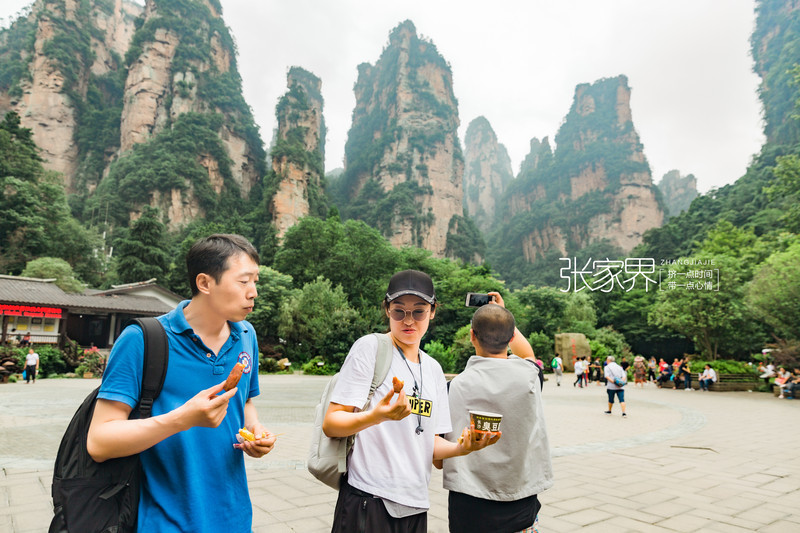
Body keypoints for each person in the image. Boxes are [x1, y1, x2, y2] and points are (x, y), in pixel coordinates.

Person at [87, 234, 276, 532]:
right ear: (205, 283)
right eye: (243, 282)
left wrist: (255, 431)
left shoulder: (246, 335)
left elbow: (246, 401)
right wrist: (183, 419)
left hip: (234, 517)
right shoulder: (142, 340)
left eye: (255, 281)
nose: (253, 293)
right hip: (164, 519)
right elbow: (99, 442)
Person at [323, 270, 499, 533]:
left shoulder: (434, 370)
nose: (409, 320)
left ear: (433, 311)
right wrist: (377, 416)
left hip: (415, 504)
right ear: (387, 310)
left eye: (419, 311)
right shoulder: (370, 348)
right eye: (398, 311)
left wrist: (463, 448)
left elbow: (431, 443)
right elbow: (332, 423)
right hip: (369, 500)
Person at [440, 295, 553, 533]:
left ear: (472, 336)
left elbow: (438, 460)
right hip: (521, 499)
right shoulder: (530, 377)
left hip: (469, 503)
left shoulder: (453, 388)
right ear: (511, 338)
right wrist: (502, 312)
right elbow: (528, 353)